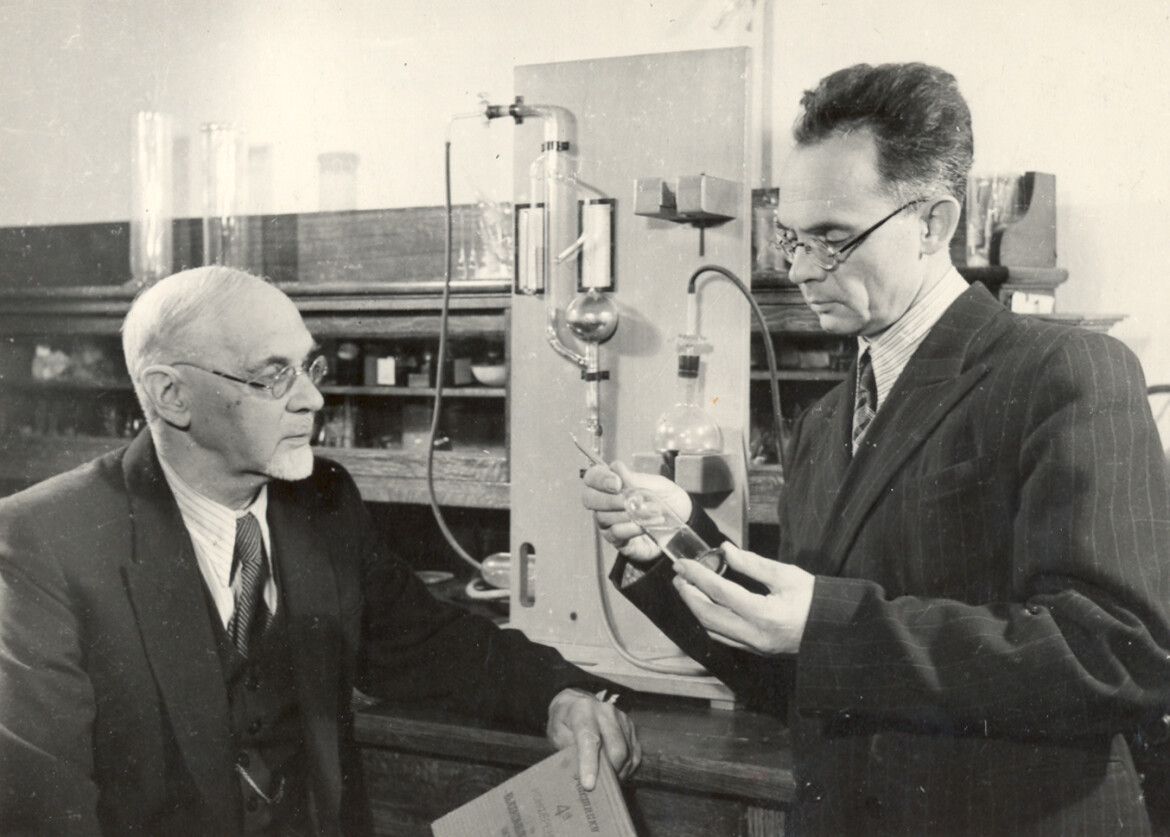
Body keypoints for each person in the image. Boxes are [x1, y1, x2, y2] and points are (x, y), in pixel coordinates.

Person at [583, 62, 1170, 836]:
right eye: (791, 238)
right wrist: (676, 548)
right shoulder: (824, 423)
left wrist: (824, 623)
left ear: (933, 223)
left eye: (832, 238)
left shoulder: (1065, 372)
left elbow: (1118, 655)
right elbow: (800, 677)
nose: (799, 270)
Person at [0, 266, 640, 837]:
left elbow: (430, 645)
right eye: (273, 375)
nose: (312, 398)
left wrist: (559, 696)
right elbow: (44, 811)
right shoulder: (44, 540)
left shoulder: (324, 502)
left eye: (311, 367)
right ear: (172, 395)